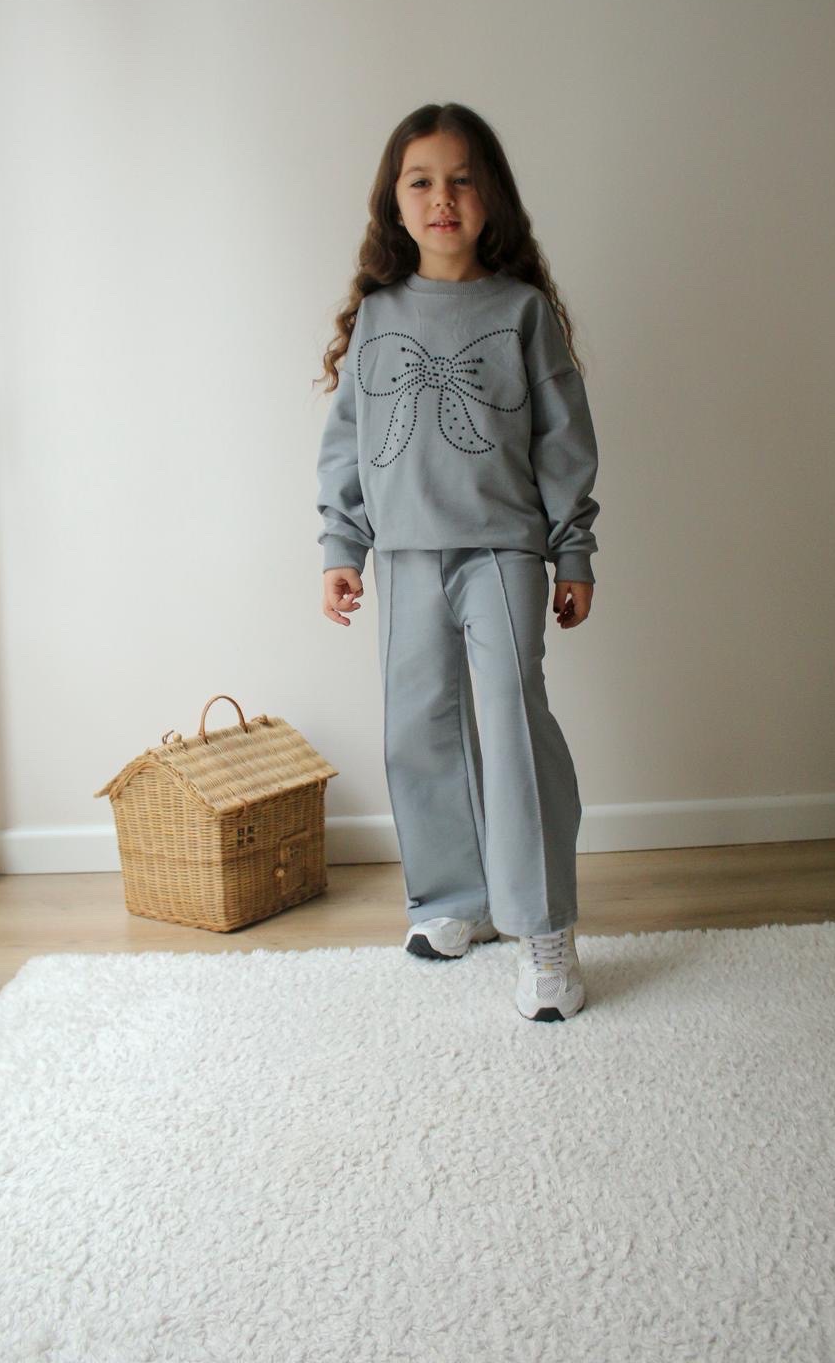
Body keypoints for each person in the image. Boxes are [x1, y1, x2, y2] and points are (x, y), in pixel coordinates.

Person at [312, 102, 600, 1022]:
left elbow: (563, 441)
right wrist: (342, 545)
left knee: (512, 724)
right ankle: (452, 900)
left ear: (491, 197)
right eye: (422, 181)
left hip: (503, 551)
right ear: (395, 203)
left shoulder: (520, 312)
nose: (443, 197)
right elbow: (348, 441)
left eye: (462, 179)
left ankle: (544, 927)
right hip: (402, 556)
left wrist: (573, 549)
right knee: (418, 730)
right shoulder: (378, 316)